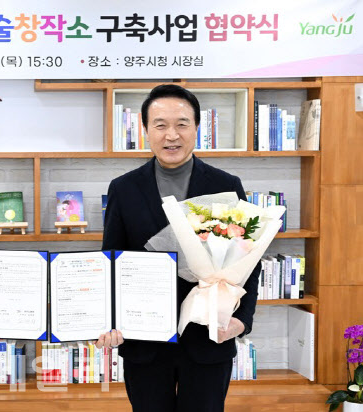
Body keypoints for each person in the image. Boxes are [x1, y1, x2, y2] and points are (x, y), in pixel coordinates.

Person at [99, 85, 260, 412]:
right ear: (145, 130)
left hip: (208, 338)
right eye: (160, 125)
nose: (171, 135)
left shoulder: (225, 185)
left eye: (182, 124)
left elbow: (249, 260)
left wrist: (242, 320)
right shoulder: (124, 188)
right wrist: (107, 320)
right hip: (143, 340)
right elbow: (110, 261)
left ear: (197, 128)